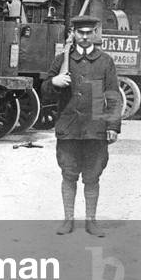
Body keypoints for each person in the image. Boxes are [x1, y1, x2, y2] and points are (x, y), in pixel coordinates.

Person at [41, 15, 122, 237]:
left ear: (95, 33)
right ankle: (68, 220)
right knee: (68, 174)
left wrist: (113, 125)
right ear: (73, 33)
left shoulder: (105, 61)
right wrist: (54, 82)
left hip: (95, 127)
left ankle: (91, 222)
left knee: (92, 176)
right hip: (68, 126)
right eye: (80, 32)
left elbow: (113, 95)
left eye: (89, 32)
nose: (85, 37)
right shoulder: (62, 60)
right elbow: (45, 90)